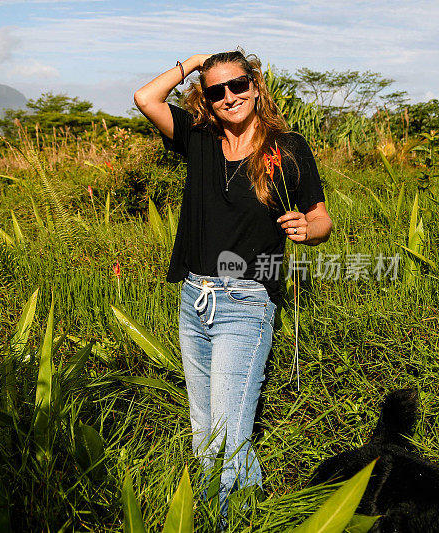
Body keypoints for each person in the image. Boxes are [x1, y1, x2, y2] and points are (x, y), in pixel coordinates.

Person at [133, 50, 332, 512]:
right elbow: (146, 97)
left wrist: (309, 227)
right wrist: (194, 63)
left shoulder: (287, 147)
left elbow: (322, 218)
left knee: (227, 432)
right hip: (194, 297)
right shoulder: (198, 138)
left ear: (256, 85)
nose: (229, 97)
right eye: (216, 90)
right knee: (206, 432)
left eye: (238, 85)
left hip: (247, 302)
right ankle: (242, 514)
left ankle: (223, 521)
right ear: (206, 98)